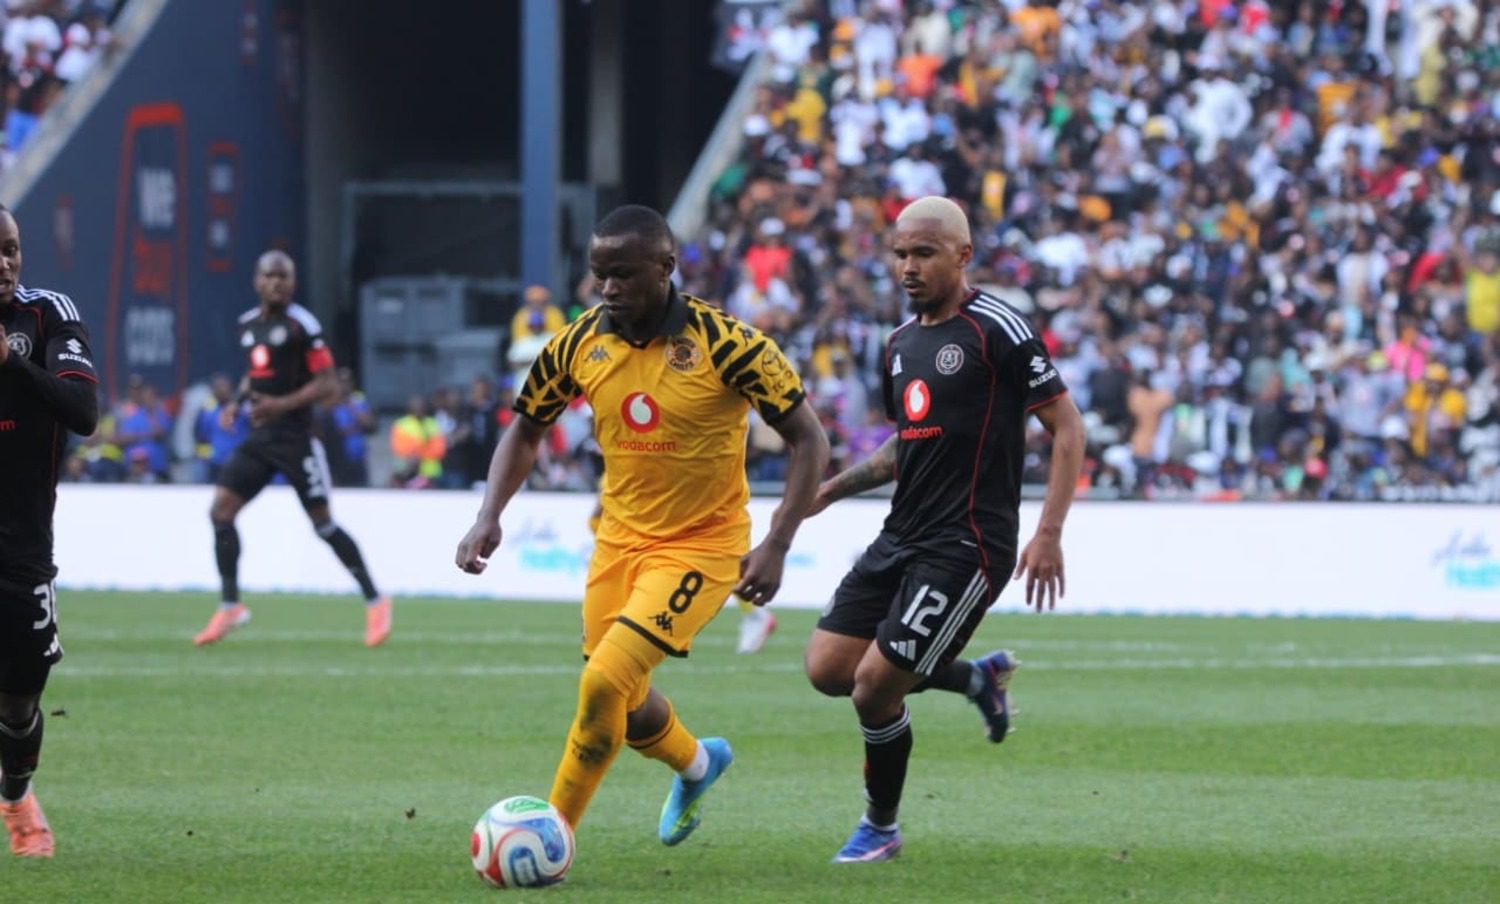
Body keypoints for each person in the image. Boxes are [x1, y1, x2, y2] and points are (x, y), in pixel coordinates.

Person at [455, 205, 828, 843]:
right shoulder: (579, 342)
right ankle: (698, 763)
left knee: (603, 680)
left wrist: (777, 542)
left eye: (623, 274)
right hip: (618, 543)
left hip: (703, 547)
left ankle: (552, 836)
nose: (608, 289)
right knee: (621, 703)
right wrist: (489, 514)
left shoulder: (728, 343)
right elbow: (526, 427)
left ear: (665, 268)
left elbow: (809, 441)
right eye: (600, 274)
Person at [802, 197, 1085, 863]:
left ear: (962, 256)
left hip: (967, 543)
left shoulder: (997, 329)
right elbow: (908, 446)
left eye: (923, 253)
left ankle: (881, 826)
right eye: (900, 253)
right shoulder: (900, 346)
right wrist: (830, 490)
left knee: (873, 689)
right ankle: (975, 681)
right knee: (827, 668)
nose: (907, 266)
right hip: (901, 534)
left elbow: (1068, 428)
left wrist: (1050, 531)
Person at [195, 250, 391, 647]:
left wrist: (279, 406)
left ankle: (375, 599)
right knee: (220, 511)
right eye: (269, 276)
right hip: (260, 440)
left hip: (297, 440)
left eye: (283, 276)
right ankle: (230, 605)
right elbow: (256, 372)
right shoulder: (248, 326)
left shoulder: (303, 326)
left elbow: (328, 384)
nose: (276, 283)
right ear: (257, 281)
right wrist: (235, 402)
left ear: (292, 282)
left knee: (323, 524)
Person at [0, 204, 100, 856]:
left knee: (17, 700)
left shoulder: (48, 315)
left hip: (23, 543)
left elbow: (84, 411)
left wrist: (12, 366)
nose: (5, 264)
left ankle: (15, 797)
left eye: (11, 250)